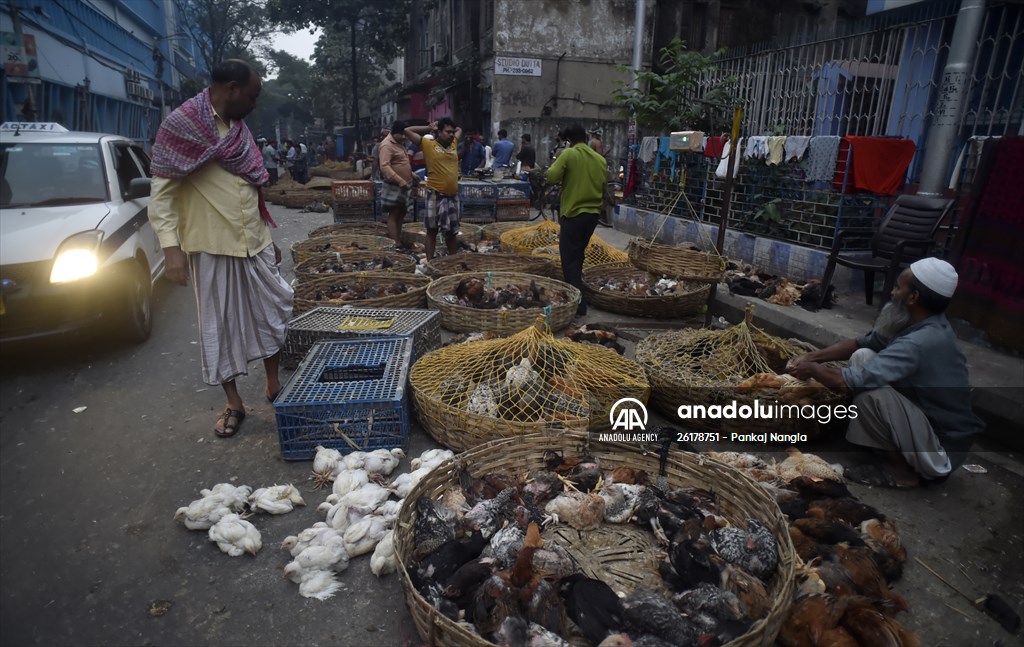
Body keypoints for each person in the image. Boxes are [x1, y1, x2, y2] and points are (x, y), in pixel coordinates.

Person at [148, 59, 292, 439]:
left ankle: (273, 384)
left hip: (255, 242)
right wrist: (170, 249)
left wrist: (268, 237)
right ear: (231, 88)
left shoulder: (239, 131)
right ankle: (234, 403)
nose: (255, 103)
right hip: (211, 244)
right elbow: (162, 196)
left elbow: (251, 188)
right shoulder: (181, 126)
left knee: (273, 313)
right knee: (220, 326)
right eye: (252, 94)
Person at [787, 258, 985, 488]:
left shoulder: (921, 341)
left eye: (898, 287)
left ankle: (902, 472)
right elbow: (862, 342)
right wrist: (811, 357)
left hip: (940, 447)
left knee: (869, 394)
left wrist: (812, 369)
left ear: (913, 298)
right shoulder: (913, 321)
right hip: (920, 418)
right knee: (863, 355)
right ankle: (880, 445)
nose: (892, 292)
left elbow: (849, 382)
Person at [545, 123, 606, 316]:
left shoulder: (569, 154)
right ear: (586, 137)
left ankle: (578, 303)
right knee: (578, 254)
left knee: (569, 259)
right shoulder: (599, 159)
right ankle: (577, 293)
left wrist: (559, 157)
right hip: (592, 215)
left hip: (573, 214)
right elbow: (604, 187)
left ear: (570, 140)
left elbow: (551, 177)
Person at [405, 117, 462, 259]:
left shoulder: (454, 143)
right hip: (435, 194)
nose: (451, 134)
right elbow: (407, 130)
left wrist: (452, 128)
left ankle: (452, 260)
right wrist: (429, 128)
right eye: (447, 132)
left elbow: (459, 130)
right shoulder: (428, 144)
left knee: (452, 232)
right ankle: (430, 261)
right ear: (439, 132)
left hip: (452, 195)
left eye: (451, 132)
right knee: (432, 230)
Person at [378, 120, 415, 246]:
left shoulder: (400, 143)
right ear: (395, 133)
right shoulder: (387, 145)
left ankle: (398, 239)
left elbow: (401, 162)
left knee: (401, 213)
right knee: (394, 214)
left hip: (405, 184)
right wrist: (399, 180)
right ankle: (395, 242)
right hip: (395, 184)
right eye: (402, 134)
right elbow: (385, 166)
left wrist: (412, 175)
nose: (404, 137)